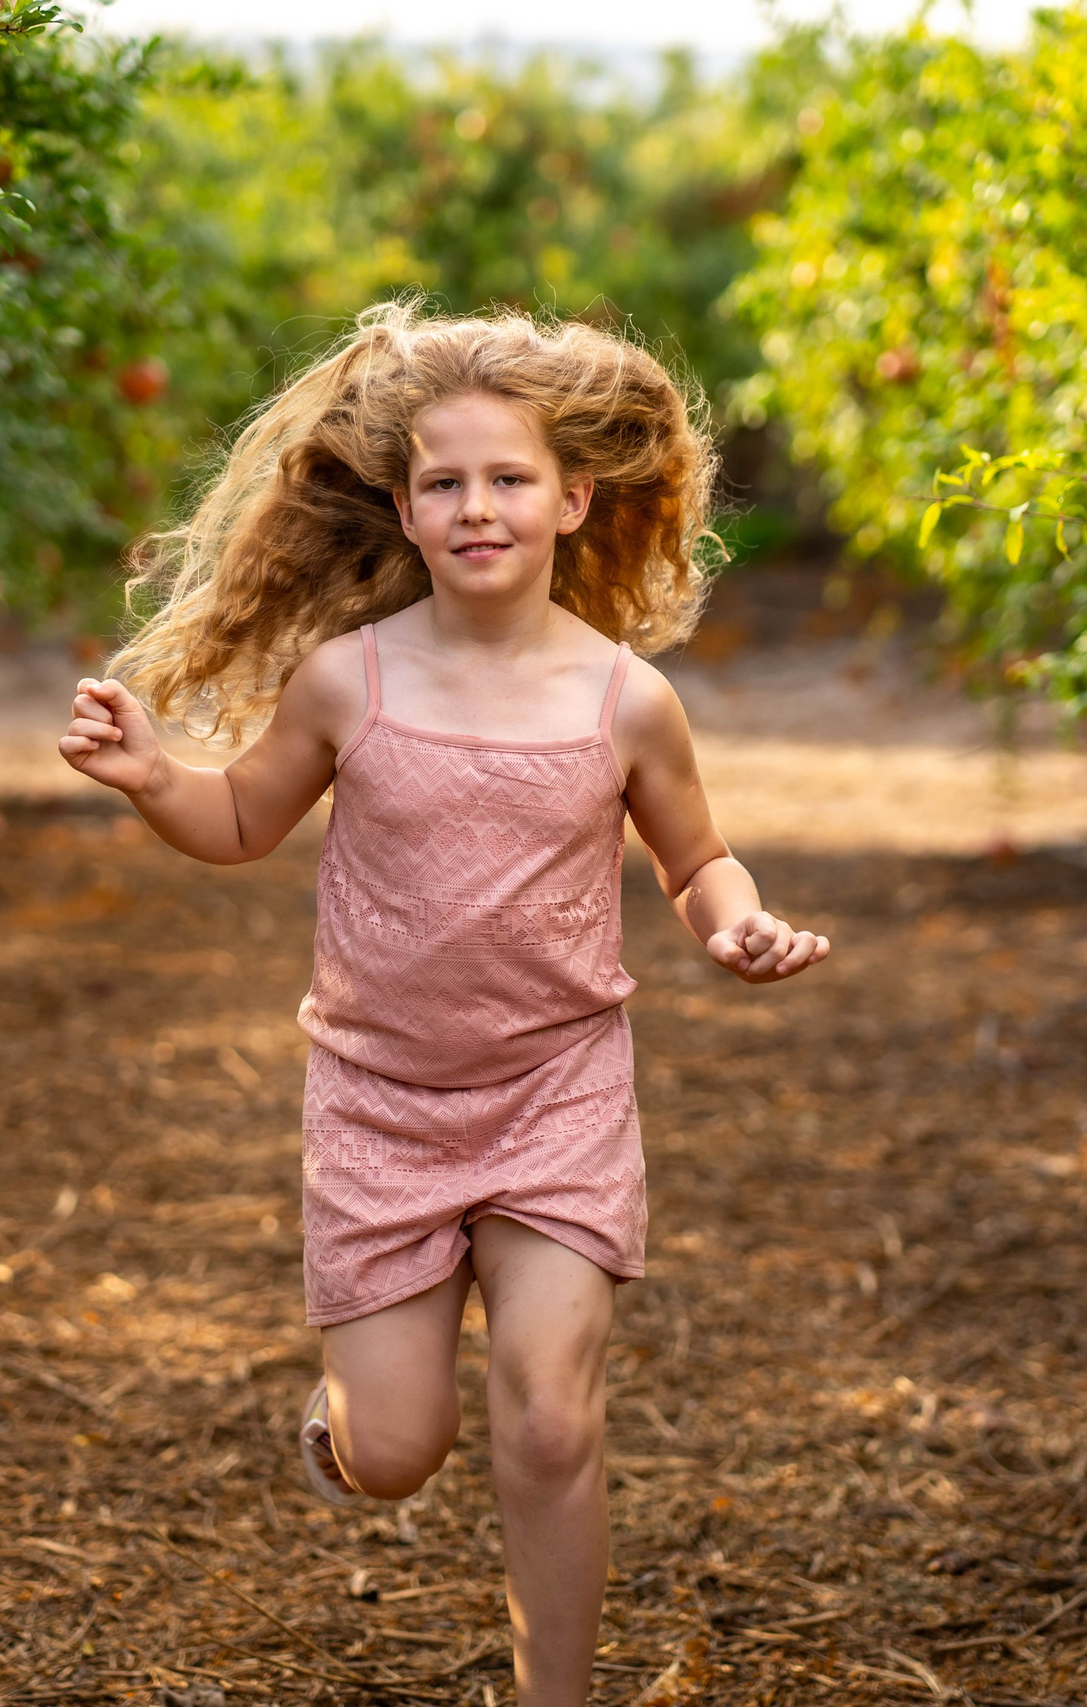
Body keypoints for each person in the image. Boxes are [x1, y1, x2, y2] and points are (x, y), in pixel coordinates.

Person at [57, 302, 829, 1706]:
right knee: (397, 1452)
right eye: (447, 483)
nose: (480, 506)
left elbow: (695, 857)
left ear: (572, 500)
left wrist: (739, 924)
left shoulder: (625, 700)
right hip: (379, 1105)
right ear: (405, 511)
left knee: (547, 1414)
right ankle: (350, 1421)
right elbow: (238, 822)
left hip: (556, 1095)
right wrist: (153, 775)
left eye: (510, 478)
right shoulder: (351, 679)